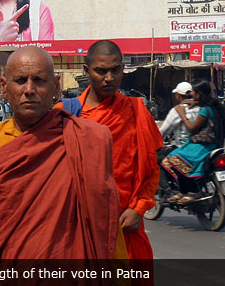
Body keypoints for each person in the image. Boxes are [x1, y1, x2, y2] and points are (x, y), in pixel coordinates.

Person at [0, 47, 125, 266]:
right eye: (20, 80)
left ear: (56, 86)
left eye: (39, 80)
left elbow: (106, 221)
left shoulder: (86, 139)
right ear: (4, 87)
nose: (29, 89)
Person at [54, 40, 162, 260]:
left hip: (125, 225)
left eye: (116, 70)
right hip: (77, 228)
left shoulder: (137, 111)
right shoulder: (63, 115)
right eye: (101, 71)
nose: (109, 78)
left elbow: (151, 170)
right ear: (86, 71)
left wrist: (138, 209)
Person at [161, 79, 225, 203]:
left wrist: (182, 114)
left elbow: (192, 129)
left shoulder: (203, 110)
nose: (191, 94)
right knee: (173, 158)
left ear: (198, 94)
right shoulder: (213, 106)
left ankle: (193, 192)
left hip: (204, 146)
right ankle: (183, 191)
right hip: (214, 144)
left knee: (171, 160)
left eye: (193, 92)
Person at [160, 82, 201, 149]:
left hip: (182, 148)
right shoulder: (201, 107)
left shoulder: (178, 110)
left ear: (178, 95)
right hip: (198, 148)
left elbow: (163, 132)